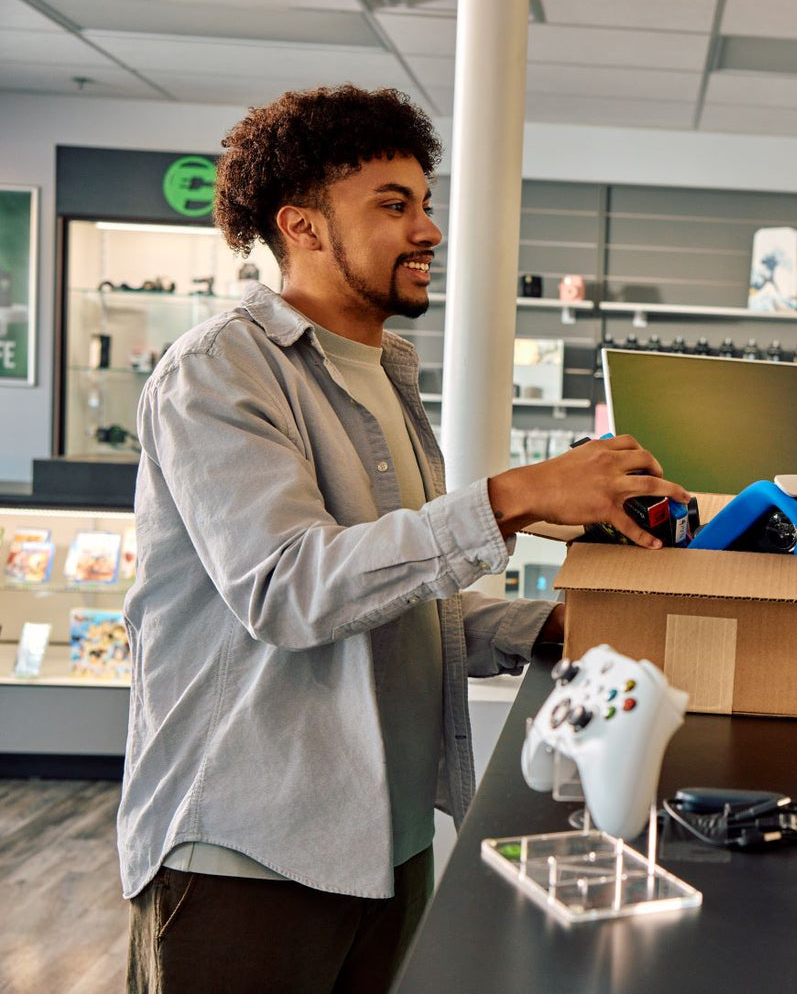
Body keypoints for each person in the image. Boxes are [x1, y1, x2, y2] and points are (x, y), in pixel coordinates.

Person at [117, 85, 688, 993]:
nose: (429, 229)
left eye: (425, 202)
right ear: (300, 225)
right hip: (246, 855)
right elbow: (290, 590)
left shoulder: (384, 372)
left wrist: (552, 627)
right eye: (394, 205)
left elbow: (391, 601)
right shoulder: (218, 372)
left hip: (386, 844)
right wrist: (511, 498)